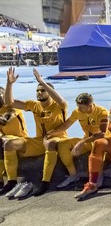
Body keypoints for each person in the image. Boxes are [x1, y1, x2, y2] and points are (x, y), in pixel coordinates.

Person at [3, 67, 68, 197]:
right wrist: (9, 83)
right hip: (39, 141)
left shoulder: (59, 106)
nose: (39, 93)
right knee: (9, 144)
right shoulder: (34, 105)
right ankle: (12, 182)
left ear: (50, 92)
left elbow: (61, 100)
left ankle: (45, 182)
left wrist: (42, 82)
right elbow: (9, 102)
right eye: (37, 90)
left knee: (50, 143)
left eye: (42, 90)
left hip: (58, 139)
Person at [47, 93, 110, 189]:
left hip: (103, 142)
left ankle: (98, 177)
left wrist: (82, 142)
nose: (79, 109)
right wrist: (49, 134)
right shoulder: (77, 112)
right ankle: (73, 175)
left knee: (98, 144)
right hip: (87, 141)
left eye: (81, 107)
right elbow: (65, 126)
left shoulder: (102, 112)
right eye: (78, 106)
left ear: (90, 105)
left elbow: (102, 134)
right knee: (63, 144)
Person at [0, 86, 28, 195]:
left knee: (6, 142)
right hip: (6, 141)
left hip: (22, 140)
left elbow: (5, 120)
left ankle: (12, 181)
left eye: (0, 94)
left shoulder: (13, 107)